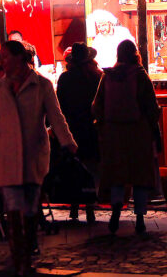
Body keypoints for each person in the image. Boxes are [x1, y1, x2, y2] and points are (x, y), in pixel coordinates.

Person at [0, 40, 77, 276]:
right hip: (7, 155)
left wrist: (68, 143)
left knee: (31, 206)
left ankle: (29, 245)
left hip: (34, 155)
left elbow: (56, 116)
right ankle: (18, 256)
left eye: (6, 57)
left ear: (19, 58)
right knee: (12, 206)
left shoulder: (41, 85)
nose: (3, 62)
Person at [93, 39, 161, 236]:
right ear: (135, 54)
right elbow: (151, 106)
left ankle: (115, 211)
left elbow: (96, 106)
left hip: (114, 134)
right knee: (139, 175)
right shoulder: (140, 75)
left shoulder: (108, 76)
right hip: (138, 132)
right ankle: (139, 218)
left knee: (117, 175)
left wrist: (104, 126)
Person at [56, 43, 102, 225]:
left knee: (74, 167)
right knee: (91, 169)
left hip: (72, 128)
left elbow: (59, 105)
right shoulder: (96, 78)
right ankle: (90, 207)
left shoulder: (65, 78)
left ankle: (74, 205)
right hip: (90, 127)